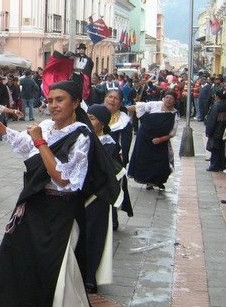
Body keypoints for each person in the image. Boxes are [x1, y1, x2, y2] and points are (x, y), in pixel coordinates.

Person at [0, 80, 121, 306]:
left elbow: (63, 178)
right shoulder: (46, 125)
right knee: (13, 261)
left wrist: (40, 141)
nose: (53, 105)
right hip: (34, 206)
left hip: (60, 213)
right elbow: (24, 144)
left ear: (75, 102)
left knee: (56, 271)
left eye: (60, 100)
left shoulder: (82, 136)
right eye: (49, 100)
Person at [85, 104, 123, 294]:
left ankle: (90, 276)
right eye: (87, 117)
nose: (88, 121)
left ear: (102, 123)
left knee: (94, 237)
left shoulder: (109, 144)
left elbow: (107, 172)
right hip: (78, 197)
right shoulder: (81, 138)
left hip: (97, 199)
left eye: (92, 118)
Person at [127, 91, 178, 190]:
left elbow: (172, 133)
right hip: (145, 138)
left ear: (174, 101)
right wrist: (122, 109)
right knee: (146, 161)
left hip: (160, 142)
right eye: (167, 97)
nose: (168, 100)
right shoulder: (155, 105)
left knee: (161, 164)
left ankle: (159, 181)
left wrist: (160, 139)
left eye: (171, 99)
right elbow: (139, 107)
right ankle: (148, 182)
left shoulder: (175, 114)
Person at [103, 89, 134, 228]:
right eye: (110, 96)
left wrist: (122, 160)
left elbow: (125, 144)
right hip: (95, 157)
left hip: (114, 160)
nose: (112, 100)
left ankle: (112, 217)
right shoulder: (95, 114)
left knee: (112, 189)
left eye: (116, 98)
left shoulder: (124, 120)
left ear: (120, 102)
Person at [205, 89, 226, 171]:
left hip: (216, 130)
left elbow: (212, 120)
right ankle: (221, 165)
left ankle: (214, 166)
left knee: (215, 149)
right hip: (223, 130)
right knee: (222, 148)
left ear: (217, 96)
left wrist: (208, 131)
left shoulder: (216, 105)